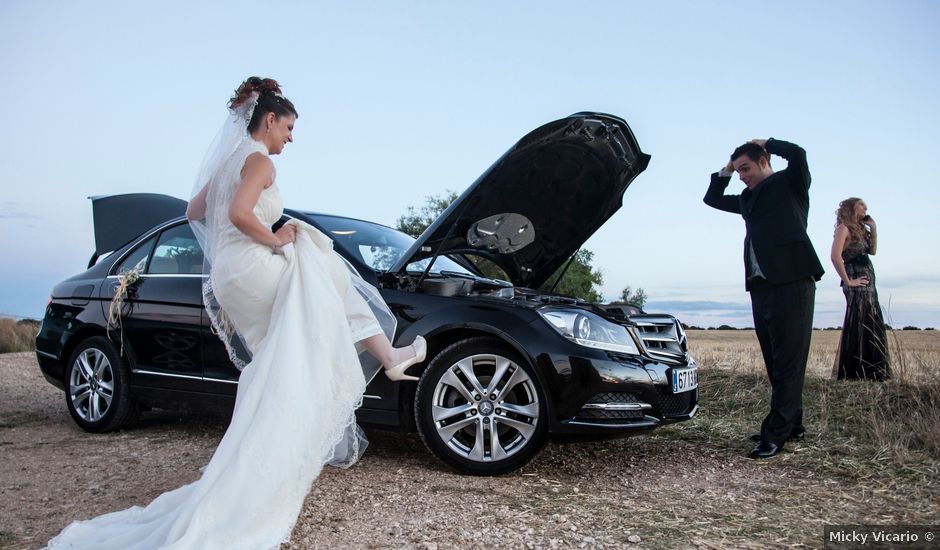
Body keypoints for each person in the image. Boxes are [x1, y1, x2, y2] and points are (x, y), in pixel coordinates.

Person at [46, 77, 426, 549]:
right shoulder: (257, 159)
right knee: (316, 257)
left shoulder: (229, 162)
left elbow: (193, 211)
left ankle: (264, 460)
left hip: (230, 276)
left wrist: (250, 237)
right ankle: (383, 358)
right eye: (288, 127)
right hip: (250, 265)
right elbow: (241, 215)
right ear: (269, 120)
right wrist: (275, 237)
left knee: (280, 360)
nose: (291, 137)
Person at [703, 138, 824, 459]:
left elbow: (798, 154)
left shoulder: (790, 184)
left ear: (764, 162)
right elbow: (711, 198)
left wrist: (767, 142)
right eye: (738, 170)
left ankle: (775, 435)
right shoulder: (747, 198)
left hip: (793, 280)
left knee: (789, 361)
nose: (742, 175)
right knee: (775, 359)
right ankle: (791, 424)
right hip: (760, 285)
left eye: (746, 168)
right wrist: (726, 169)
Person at [830, 197, 890, 381]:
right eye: (861, 204)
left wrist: (874, 229)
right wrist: (848, 281)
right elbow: (835, 257)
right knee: (859, 320)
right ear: (850, 207)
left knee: (871, 320)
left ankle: (872, 372)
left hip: (869, 283)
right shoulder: (843, 228)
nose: (865, 207)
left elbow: (872, 252)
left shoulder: (861, 230)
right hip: (855, 281)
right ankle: (854, 372)